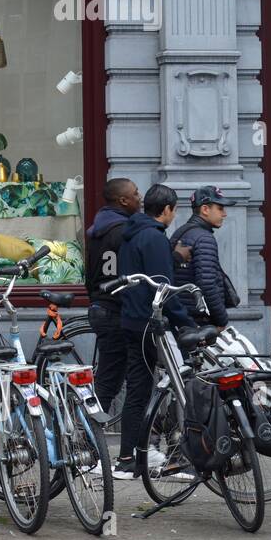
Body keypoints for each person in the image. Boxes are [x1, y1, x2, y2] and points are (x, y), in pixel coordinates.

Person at [115, 183, 196, 479]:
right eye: (174, 210)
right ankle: (184, 456)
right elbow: (166, 289)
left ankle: (128, 458)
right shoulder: (154, 238)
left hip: (132, 321)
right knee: (181, 385)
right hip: (153, 325)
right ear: (167, 210)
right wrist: (186, 323)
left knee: (138, 391)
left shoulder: (132, 233)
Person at [84, 178, 139, 425]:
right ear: (123, 200)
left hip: (100, 306)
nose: (141, 198)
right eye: (136, 193)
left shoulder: (97, 230)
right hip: (116, 310)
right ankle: (88, 441)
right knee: (108, 382)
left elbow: (90, 273)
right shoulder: (126, 231)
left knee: (112, 377)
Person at [171, 185, 239, 329]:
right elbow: (207, 285)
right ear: (205, 209)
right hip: (199, 320)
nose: (224, 214)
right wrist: (221, 320)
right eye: (220, 208)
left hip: (183, 316)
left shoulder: (181, 232)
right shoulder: (204, 238)